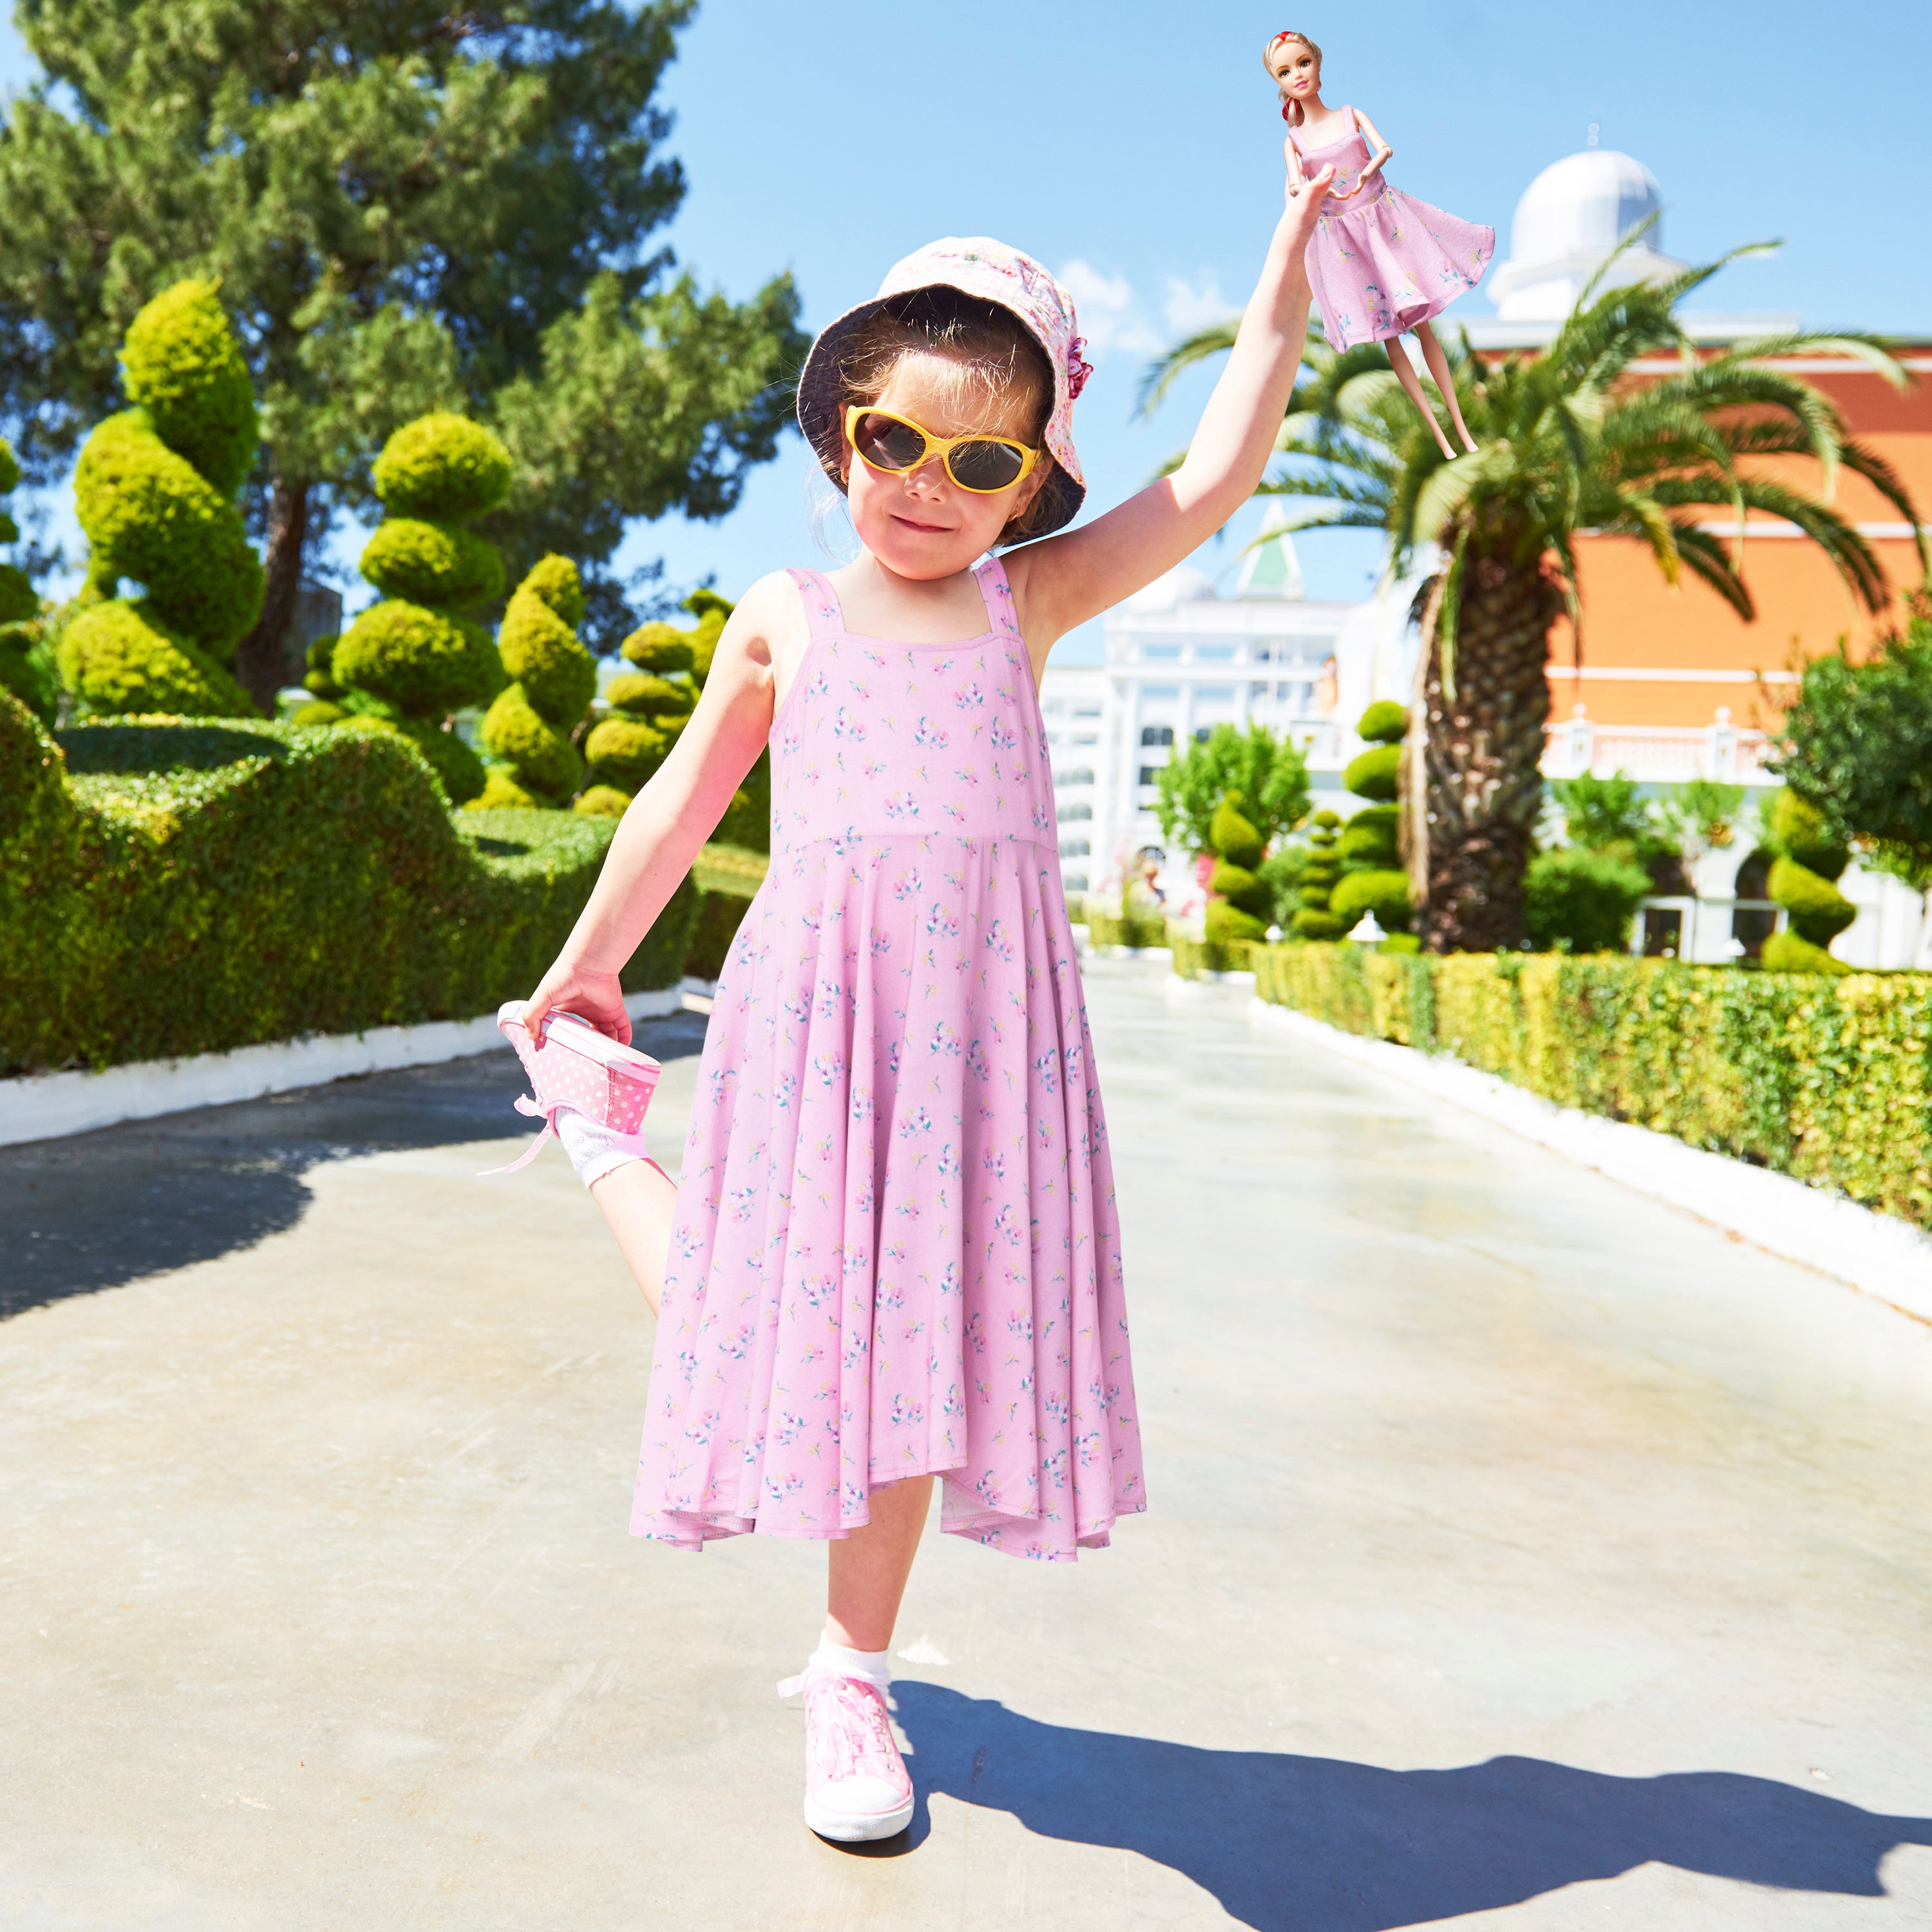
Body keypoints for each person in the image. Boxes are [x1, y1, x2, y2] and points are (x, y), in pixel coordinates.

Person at [516, 157, 1334, 1842]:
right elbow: (676, 804)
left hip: (969, 1042)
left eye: (983, 461)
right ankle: (604, 1146)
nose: (931, 484)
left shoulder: (1021, 603)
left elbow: (1223, 463)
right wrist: (586, 967)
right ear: (842, 432)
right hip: (815, 1018)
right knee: (742, 1326)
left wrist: (1295, 235)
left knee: (894, 1360)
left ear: (1029, 482)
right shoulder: (784, 616)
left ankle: (848, 1680)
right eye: (899, 440)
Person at [1265, 28, 1492, 459]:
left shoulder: (1350, 114)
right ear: (1277, 82)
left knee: (1422, 327)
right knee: (1391, 335)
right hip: (1347, 240)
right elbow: (1293, 189)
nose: (1297, 74)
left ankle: (1461, 428)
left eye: (1303, 63)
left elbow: (1385, 147)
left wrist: (1371, 167)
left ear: (1317, 61)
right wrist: (1314, 191)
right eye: (1285, 70)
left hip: (1386, 221)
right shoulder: (1292, 142)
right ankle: (1441, 436)